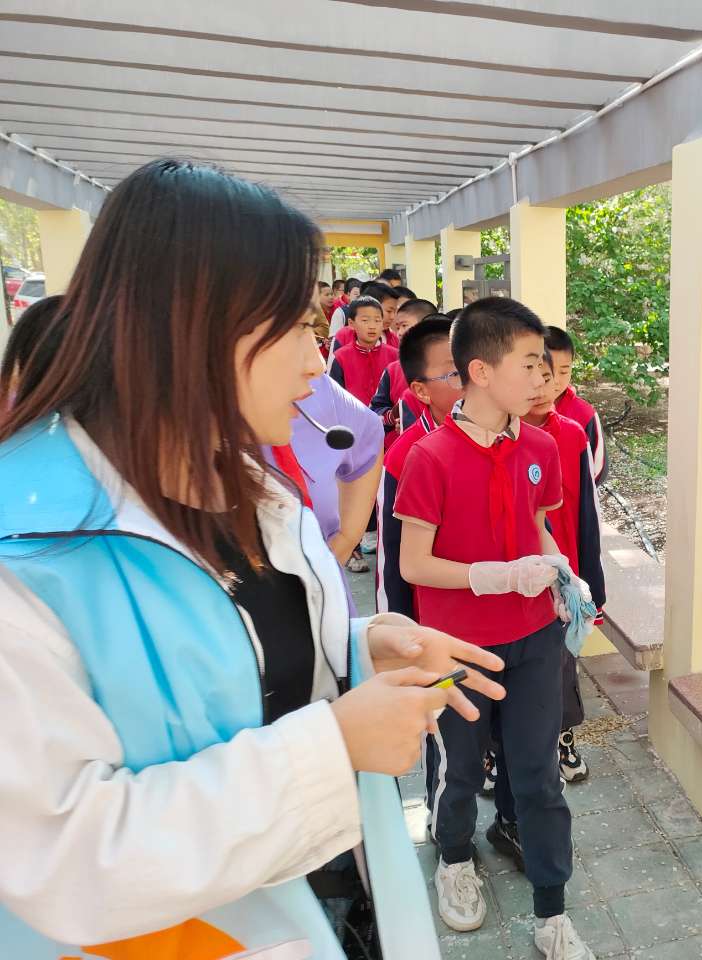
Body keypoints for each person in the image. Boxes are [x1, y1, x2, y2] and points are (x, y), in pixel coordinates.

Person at [0, 159, 508, 959]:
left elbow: (234, 658)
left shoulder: (241, 477)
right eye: (296, 326)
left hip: (328, 897)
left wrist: (359, 647)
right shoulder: (26, 556)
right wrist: (332, 748)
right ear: (192, 327)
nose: (315, 360)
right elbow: (58, 859)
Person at [395, 298, 594, 959]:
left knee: (539, 774)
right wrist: (494, 576)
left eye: (546, 365)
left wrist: (561, 574)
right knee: (457, 768)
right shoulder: (429, 456)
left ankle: (552, 910)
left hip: (535, 638)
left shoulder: (541, 445)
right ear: (480, 371)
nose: (544, 378)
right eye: (530, 364)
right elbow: (413, 563)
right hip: (458, 644)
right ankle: (454, 858)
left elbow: (538, 526)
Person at [520, 350, 607, 783]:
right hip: (511, 576)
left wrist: (592, 584)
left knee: (561, 664)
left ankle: (564, 740)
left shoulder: (572, 433)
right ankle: (498, 750)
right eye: (530, 374)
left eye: (549, 375)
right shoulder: (502, 436)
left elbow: (588, 513)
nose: (541, 385)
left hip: (562, 577)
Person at [376, 316, 461, 618]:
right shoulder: (403, 457)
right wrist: (400, 627)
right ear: (422, 391)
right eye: (456, 373)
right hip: (436, 619)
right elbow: (391, 557)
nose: (473, 380)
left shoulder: (509, 439)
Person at [269, 372, 384, 578]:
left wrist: (347, 537)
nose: (318, 364)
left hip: (321, 586)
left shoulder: (316, 387)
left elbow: (368, 431)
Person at [371, 298, 437, 445]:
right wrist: (394, 417)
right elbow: (375, 410)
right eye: (397, 327)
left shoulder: (449, 370)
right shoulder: (393, 370)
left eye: (404, 326)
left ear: (426, 326)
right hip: (399, 448)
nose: (399, 333)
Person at [545, 326, 606, 483]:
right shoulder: (518, 410)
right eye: (547, 371)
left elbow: (597, 469)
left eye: (563, 372)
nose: (556, 380)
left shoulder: (585, 414)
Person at [328, 295, 398, 407]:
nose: (372, 326)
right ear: (351, 324)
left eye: (377, 320)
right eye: (365, 320)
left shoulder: (395, 356)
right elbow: (334, 397)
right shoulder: (340, 357)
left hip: (385, 417)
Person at [334, 282, 399, 352]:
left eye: (395, 311)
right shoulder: (344, 336)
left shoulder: (394, 339)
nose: (392, 317)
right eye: (389, 311)